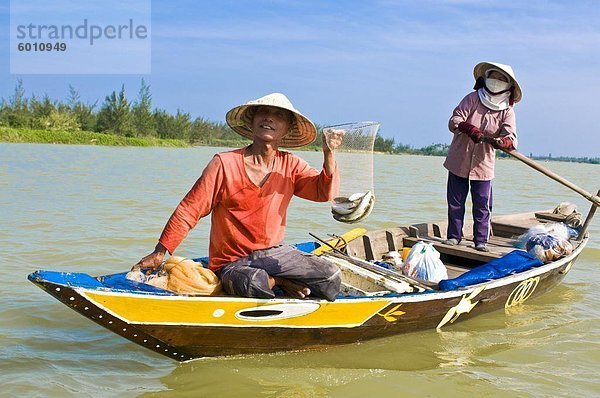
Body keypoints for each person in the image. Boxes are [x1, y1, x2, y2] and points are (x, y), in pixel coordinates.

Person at [135, 93, 343, 301]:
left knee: (331, 276)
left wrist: (329, 153)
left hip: (275, 254)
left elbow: (323, 192)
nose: (269, 118)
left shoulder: (291, 165)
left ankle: (277, 279)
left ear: (287, 128)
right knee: (252, 283)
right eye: (263, 112)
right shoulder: (224, 164)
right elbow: (189, 210)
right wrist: (159, 252)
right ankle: (280, 282)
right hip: (233, 261)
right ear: (252, 121)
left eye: (278, 115)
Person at [443, 62, 522, 252]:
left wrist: (503, 142)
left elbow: (511, 137)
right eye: (493, 77)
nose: (496, 81)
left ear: (508, 85)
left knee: (482, 206)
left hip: (483, 165)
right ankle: (454, 236)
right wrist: (468, 128)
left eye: (501, 79)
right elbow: (455, 120)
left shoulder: (507, 110)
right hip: (458, 160)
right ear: (485, 79)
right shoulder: (471, 99)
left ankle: (481, 241)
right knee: (455, 203)